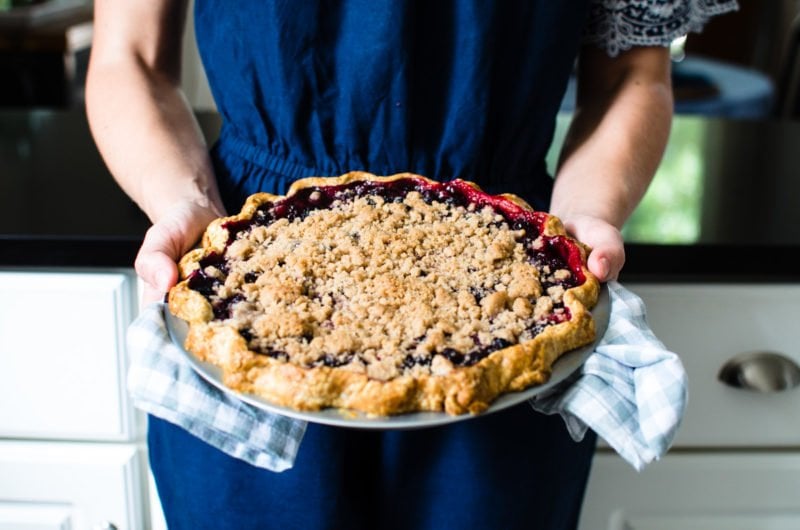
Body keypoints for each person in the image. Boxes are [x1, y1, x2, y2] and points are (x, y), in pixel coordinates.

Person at [86, 1, 735, 528]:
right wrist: (186, 206)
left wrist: (578, 225)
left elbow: (632, 75)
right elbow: (130, 59)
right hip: (250, 266)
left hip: (504, 274)